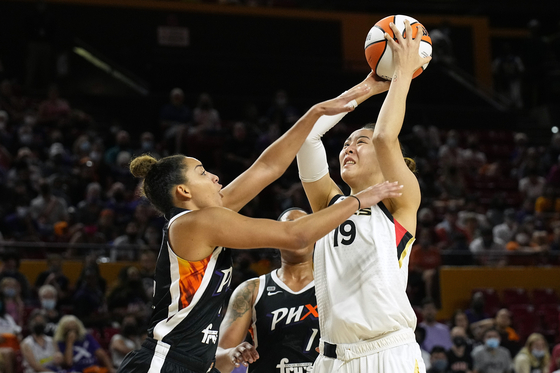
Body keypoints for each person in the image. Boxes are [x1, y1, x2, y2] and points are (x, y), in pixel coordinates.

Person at [117, 79, 401, 373]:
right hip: (166, 362)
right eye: (202, 173)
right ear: (184, 192)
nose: (214, 177)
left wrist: (322, 110)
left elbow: (268, 168)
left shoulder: (206, 217)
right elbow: (295, 235)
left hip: (191, 363)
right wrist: (357, 201)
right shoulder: (197, 223)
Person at [295, 20, 431, 373]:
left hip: (387, 352)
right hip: (331, 359)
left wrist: (402, 72)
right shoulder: (330, 203)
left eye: (359, 142)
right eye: (344, 143)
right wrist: (366, 88)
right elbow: (307, 139)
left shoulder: (399, 199)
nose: (347, 148)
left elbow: (386, 137)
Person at [215, 208, 318, 373]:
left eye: (305, 226)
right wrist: (233, 354)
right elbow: (217, 360)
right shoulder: (251, 290)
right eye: (291, 226)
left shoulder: (333, 287)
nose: (298, 232)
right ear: (276, 237)